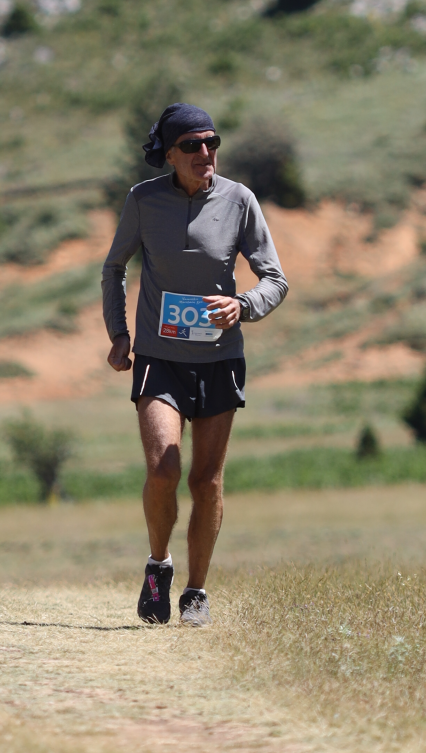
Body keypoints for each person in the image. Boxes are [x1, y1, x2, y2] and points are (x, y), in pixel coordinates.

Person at [101, 103, 289, 626]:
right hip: (159, 358)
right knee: (164, 468)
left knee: (206, 481)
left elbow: (275, 278)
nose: (205, 153)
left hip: (219, 360)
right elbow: (114, 266)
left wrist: (243, 306)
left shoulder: (239, 200)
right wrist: (119, 333)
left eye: (212, 142)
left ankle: (196, 593)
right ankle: (158, 565)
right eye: (191, 145)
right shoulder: (143, 200)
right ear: (168, 153)